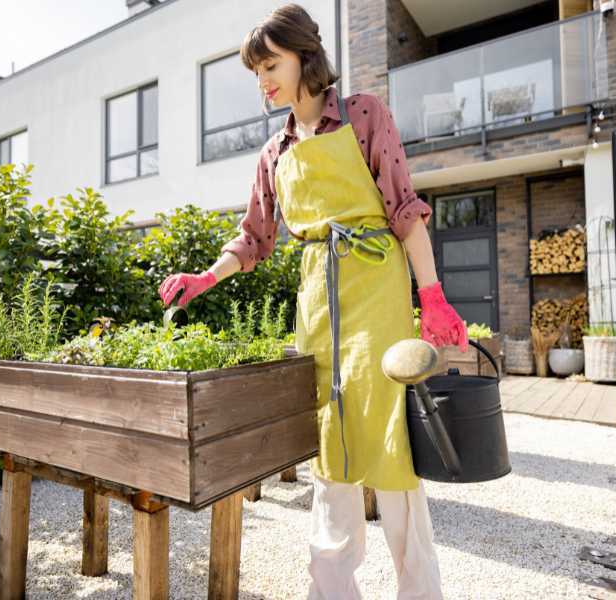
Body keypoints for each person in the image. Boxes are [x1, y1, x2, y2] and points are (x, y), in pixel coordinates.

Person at [159, 4, 468, 598]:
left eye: (270, 64)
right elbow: (254, 239)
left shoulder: (364, 115)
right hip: (317, 308)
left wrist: (430, 296)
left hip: (375, 297)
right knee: (330, 452)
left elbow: (405, 212)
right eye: (256, 71)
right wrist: (205, 277)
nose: (264, 81)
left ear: (305, 55)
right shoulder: (273, 154)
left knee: (392, 450)